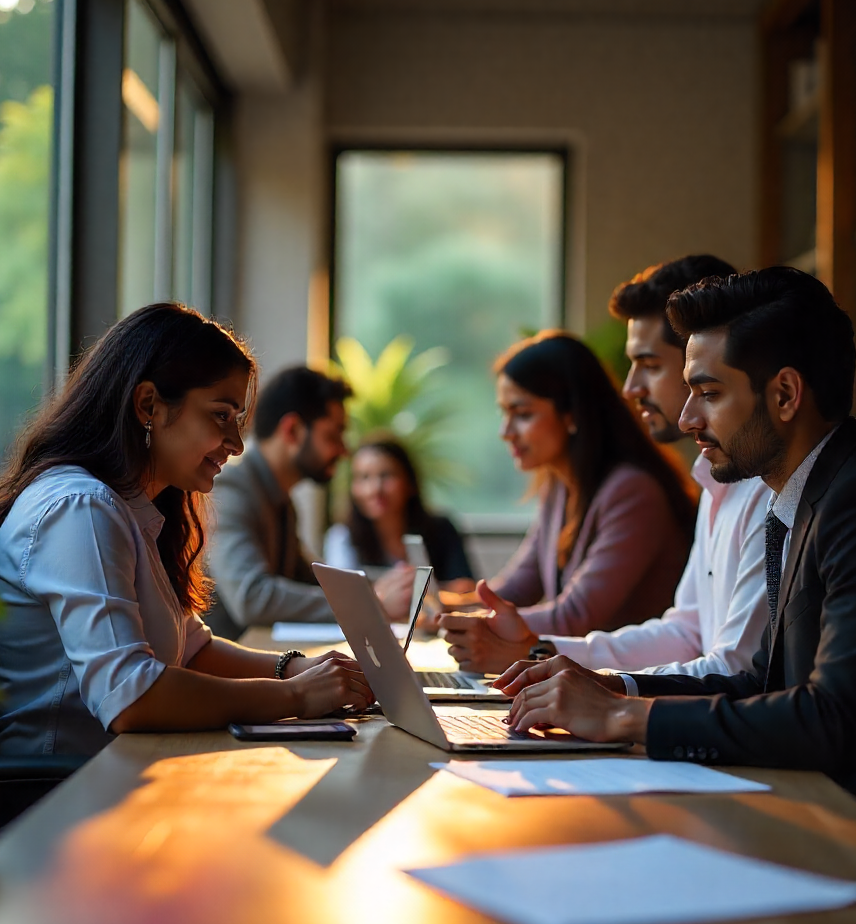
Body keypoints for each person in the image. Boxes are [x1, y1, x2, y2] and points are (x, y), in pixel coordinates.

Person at [496, 268, 856, 874]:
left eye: (711, 393)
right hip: (840, 818)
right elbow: (766, 684)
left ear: (784, 395)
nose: (689, 418)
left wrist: (624, 718)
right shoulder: (807, 495)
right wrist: (617, 687)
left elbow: (833, 717)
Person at [0, 304, 373, 757]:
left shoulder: (128, 509)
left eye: (237, 420)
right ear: (149, 405)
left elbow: (193, 649)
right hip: (64, 795)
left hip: (122, 769)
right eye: (221, 415)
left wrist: (296, 668)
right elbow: (130, 696)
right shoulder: (81, 508)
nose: (237, 444)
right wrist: (296, 696)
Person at [443, 255, 772, 680]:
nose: (630, 387)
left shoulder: (652, 489)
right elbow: (688, 632)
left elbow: (733, 671)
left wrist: (609, 700)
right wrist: (528, 647)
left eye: (650, 365)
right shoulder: (713, 481)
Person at [441, 331, 696, 657]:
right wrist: (442, 606)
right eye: (504, 413)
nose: (506, 432)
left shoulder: (633, 491)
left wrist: (474, 622)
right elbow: (518, 587)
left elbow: (575, 616)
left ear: (572, 413)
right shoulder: (560, 485)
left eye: (522, 414)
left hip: (630, 683)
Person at [207, 366, 414, 639]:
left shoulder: (280, 499)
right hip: (220, 674)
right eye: (333, 435)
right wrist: (371, 603)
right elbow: (252, 597)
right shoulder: (230, 489)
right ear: (292, 430)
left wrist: (398, 585)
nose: (344, 450)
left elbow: (313, 579)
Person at [324, 436, 476, 593]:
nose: (375, 489)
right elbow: (343, 596)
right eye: (364, 478)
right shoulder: (343, 537)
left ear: (409, 482)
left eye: (386, 475)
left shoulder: (440, 530)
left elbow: (467, 588)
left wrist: (412, 593)